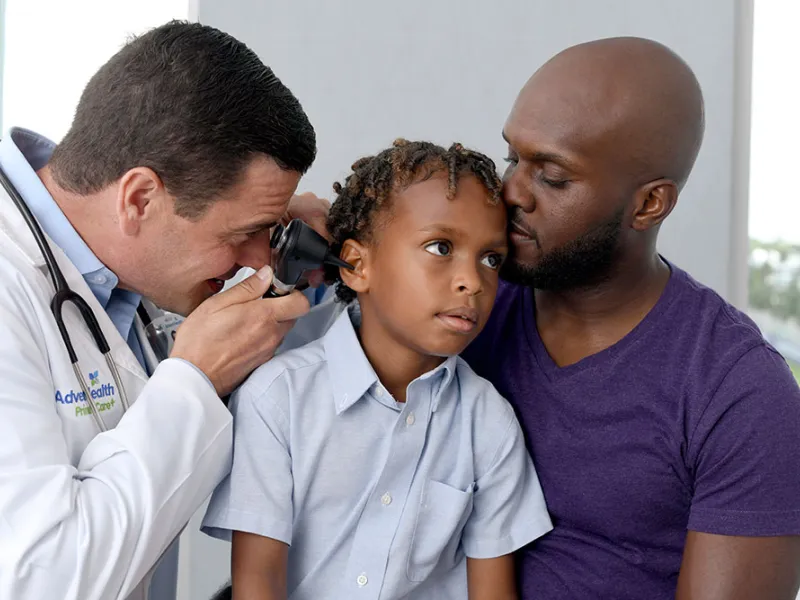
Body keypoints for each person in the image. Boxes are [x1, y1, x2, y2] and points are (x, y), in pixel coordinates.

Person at [285, 37, 800, 599]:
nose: (510, 194)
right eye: (512, 157)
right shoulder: (459, 302)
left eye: (552, 177)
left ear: (649, 204)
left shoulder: (741, 394)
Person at [0, 20, 323, 600]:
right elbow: (42, 581)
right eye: (249, 231)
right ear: (140, 197)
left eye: (270, 230)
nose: (259, 261)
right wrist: (195, 381)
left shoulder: (125, 273)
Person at [201, 139, 553, 599]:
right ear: (357, 266)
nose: (472, 280)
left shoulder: (489, 423)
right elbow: (258, 584)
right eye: (441, 247)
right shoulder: (278, 399)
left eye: (491, 259)